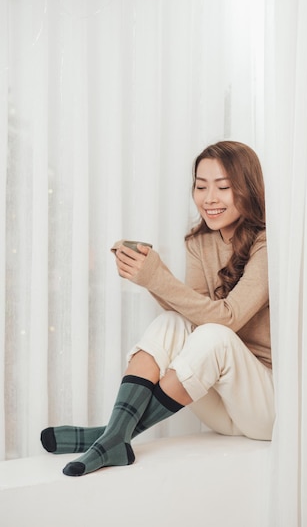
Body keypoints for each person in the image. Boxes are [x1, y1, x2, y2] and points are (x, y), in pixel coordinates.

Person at [40, 140, 274, 477]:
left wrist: (159, 278)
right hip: (221, 407)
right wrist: (149, 277)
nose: (209, 198)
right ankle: (115, 436)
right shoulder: (200, 241)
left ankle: (112, 434)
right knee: (173, 322)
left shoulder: (268, 243)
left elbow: (228, 319)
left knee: (213, 336)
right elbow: (192, 312)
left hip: (263, 406)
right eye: (201, 186)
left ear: (248, 189)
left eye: (223, 187)